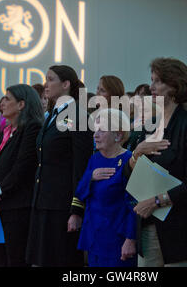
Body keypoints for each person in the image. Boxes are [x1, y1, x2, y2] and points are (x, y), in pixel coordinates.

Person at [126, 57, 187, 267]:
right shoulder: (151, 124)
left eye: (158, 81)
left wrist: (156, 201)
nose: (151, 87)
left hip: (179, 224)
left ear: (175, 85)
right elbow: (130, 175)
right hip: (147, 221)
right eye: (151, 80)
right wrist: (136, 154)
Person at [26, 65, 93, 267]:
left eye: (51, 79)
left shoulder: (77, 116)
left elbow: (81, 166)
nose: (46, 84)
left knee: (61, 260)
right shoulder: (54, 114)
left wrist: (76, 209)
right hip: (43, 201)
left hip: (62, 205)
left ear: (65, 84)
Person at [0, 84, 43, 267]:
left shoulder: (32, 127)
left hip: (17, 207)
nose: (1, 102)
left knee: (15, 260)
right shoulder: (6, 130)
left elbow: (21, 168)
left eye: (7, 98)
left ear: (21, 104)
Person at [68, 108, 137, 267]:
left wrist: (130, 238)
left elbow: (134, 204)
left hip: (117, 238)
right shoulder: (95, 159)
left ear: (118, 135)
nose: (95, 135)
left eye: (102, 130)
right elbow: (80, 190)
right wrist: (90, 177)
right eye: (95, 130)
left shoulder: (130, 161)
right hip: (94, 235)